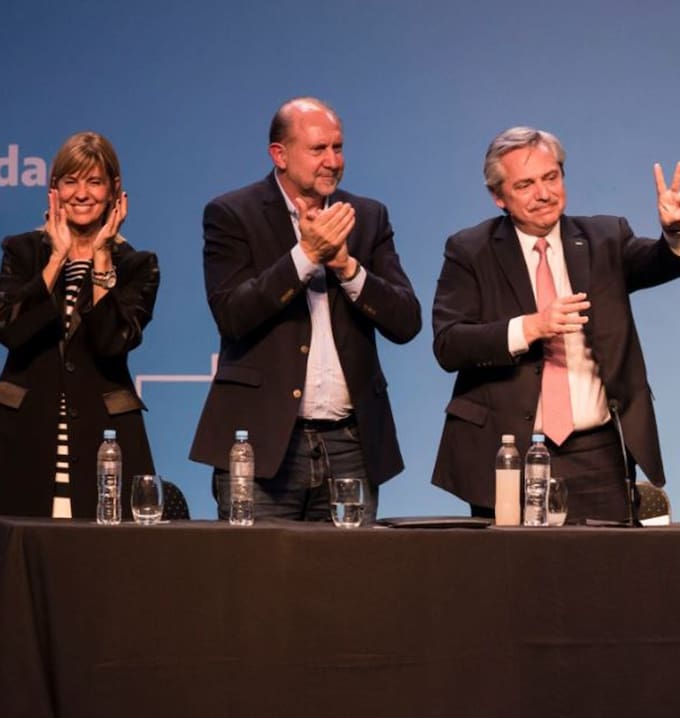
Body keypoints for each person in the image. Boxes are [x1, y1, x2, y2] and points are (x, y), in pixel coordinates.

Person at [431, 126, 680, 523]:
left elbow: (661, 262)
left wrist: (675, 232)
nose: (543, 193)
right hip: (508, 453)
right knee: (512, 582)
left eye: (551, 178)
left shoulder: (605, 237)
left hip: (598, 453)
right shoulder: (471, 250)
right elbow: (449, 344)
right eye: (525, 184)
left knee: (603, 578)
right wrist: (530, 327)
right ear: (498, 196)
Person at [189, 97, 421, 523]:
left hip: (350, 444)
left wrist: (348, 268)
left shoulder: (367, 216)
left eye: (338, 147)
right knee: (259, 582)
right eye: (319, 150)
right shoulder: (232, 214)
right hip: (261, 444)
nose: (333, 161)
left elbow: (407, 321)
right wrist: (306, 255)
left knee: (347, 584)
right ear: (279, 154)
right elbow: (232, 314)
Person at [0, 131, 159, 518]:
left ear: (114, 191)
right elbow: (11, 330)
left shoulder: (137, 265)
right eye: (70, 181)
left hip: (106, 439)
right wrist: (56, 261)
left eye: (94, 181)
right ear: (54, 191)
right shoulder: (22, 252)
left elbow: (112, 342)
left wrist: (101, 259)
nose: (82, 193)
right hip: (24, 435)